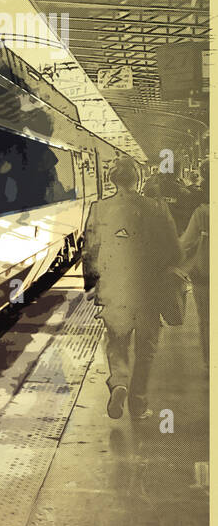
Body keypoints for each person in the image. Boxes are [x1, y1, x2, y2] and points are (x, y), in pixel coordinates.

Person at [83, 157, 182, 419]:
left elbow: (90, 251)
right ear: (137, 179)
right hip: (149, 289)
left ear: (112, 180)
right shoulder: (155, 207)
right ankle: (138, 404)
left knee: (116, 343)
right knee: (146, 348)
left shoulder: (98, 209)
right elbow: (174, 250)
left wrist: (93, 285)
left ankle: (119, 383)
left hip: (114, 291)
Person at [179, 165, 209, 364]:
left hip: (205, 274)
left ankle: (210, 361)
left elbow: (186, 243)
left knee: (206, 320)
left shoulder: (202, 212)